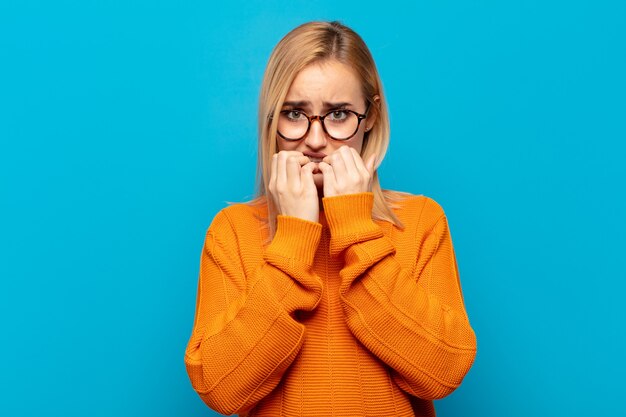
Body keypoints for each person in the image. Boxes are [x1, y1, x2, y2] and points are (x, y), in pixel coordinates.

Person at [184, 20, 477, 417]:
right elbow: (221, 388)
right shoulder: (233, 231)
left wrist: (356, 228)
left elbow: (443, 372)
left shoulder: (420, 221)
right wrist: (292, 239)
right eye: (294, 113)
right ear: (272, 119)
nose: (316, 140)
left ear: (370, 117)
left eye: (339, 114)